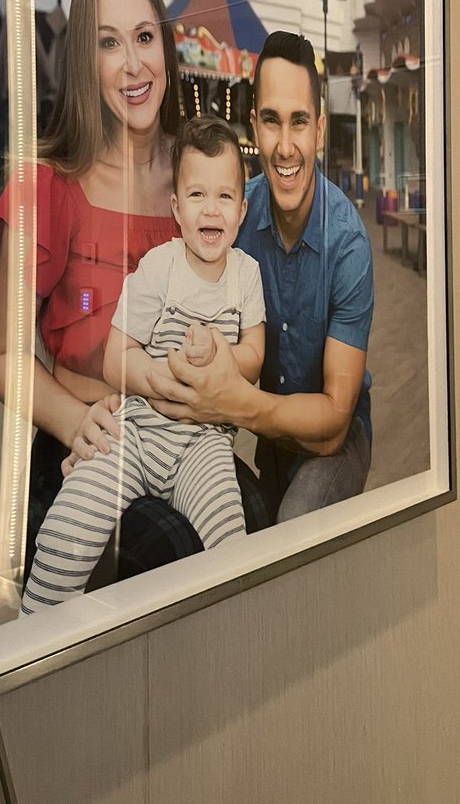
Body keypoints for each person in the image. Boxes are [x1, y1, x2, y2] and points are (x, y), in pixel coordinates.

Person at [0, 0, 269, 586]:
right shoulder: (47, 187)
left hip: (188, 440)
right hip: (91, 443)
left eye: (144, 37)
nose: (134, 64)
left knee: (258, 537)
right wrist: (71, 420)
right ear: (86, 59)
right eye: (110, 43)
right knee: (172, 560)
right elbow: (1, 355)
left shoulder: (199, 184)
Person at [21, 117, 265, 613]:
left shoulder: (246, 275)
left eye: (224, 197)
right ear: (176, 207)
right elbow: (116, 357)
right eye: (197, 195)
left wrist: (222, 355)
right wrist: (161, 376)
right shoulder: (159, 266)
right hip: (138, 431)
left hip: (202, 445)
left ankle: (235, 639)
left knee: (231, 541)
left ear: (241, 210)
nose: (210, 209)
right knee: (71, 523)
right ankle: (33, 629)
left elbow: (255, 356)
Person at [149, 31, 374, 523]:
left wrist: (235, 403)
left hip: (333, 442)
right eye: (271, 121)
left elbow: (334, 421)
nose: (286, 146)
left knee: (292, 525)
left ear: (318, 129)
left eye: (299, 123)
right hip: (262, 432)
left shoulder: (348, 244)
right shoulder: (232, 217)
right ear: (253, 125)